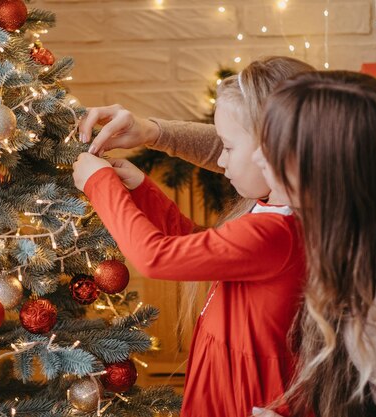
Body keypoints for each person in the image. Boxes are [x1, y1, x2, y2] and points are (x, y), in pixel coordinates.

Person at [72, 57, 313, 417]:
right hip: (224, 381)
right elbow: (199, 246)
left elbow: (156, 257)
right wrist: (140, 191)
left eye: (228, 148)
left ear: (273, 150)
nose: (222, 161)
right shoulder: (268, 211)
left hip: (250, 398)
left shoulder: (279, 231)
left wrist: (99, 183)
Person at [251, 71, 376, 417]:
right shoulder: (358, 230)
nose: (256, 159)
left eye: (271, 149)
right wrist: (155, 133)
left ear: (324, 167)